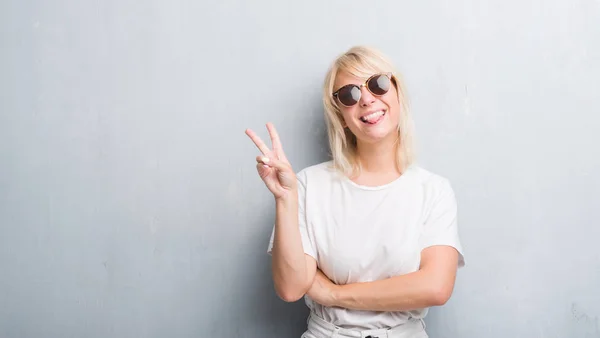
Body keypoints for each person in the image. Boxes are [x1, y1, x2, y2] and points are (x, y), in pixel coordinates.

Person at [245, 46, 465, 338]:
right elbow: (291, 288)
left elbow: (436, 287)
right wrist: (285, 199)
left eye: (378, 83)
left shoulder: (433, 190)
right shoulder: (308, 185)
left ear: (396, 90)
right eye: (349, 94)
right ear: (340, 114)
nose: (367, 99)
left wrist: (334, 294)